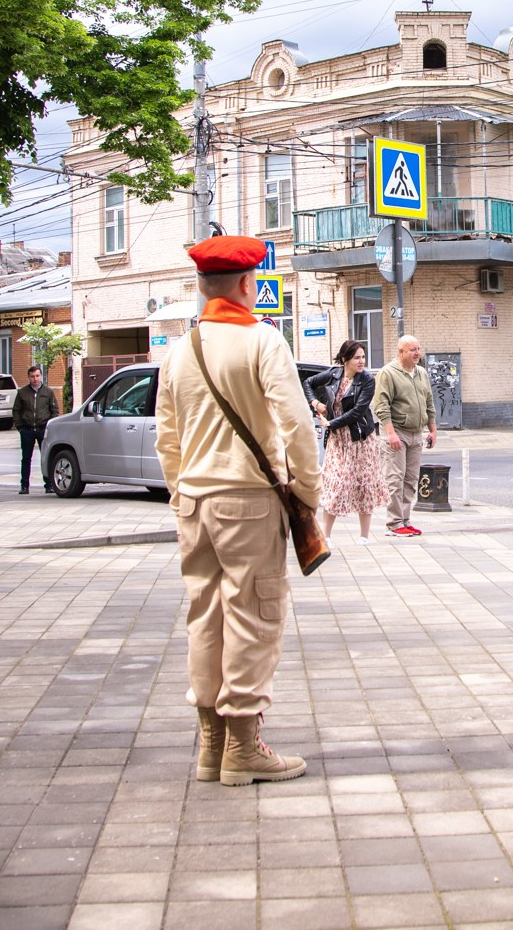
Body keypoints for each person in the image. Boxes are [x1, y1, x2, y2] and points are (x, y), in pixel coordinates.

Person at [154, 233, 320, 786]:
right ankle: (244, 750)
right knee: (252, 616)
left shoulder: (179, 350)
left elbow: (167, 437)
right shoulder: (263, 342)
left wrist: (182, 493)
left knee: (206, 618)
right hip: (248, 502)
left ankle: (211, 748)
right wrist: (308, 494)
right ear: (249, 284)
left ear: (204, 286)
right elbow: (296, 423)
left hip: (194, 505)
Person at [307, 340, 383, 544]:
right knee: (336, 484)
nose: (361, 361)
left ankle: (364, 536)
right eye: (357, 357)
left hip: (359, 440)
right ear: (345, 359)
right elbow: (308, 383)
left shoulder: (367, 380)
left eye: (363, 357)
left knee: (363, 484)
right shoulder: (334, 374)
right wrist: (315, 403)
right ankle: (326, 535)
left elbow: (357, 411)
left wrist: (330, 423)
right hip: (337, 441)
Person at [374, 333, 437, 538]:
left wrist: (433, 429)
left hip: (416, 433)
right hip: (397, 433)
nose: (417, 353)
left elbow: (429, 402)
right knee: (395, 478)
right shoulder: (388, 373)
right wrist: (390, 434)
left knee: (411, 479)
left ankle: (405, 520)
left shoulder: (421, 373)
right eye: (413, 349)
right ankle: (393, 523)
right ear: (401, 352)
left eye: (418, 348)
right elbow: (381, 406)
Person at [14, 364, 59, 495]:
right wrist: (20, 427)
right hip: (27, 430)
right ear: (29, 377)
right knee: (26, 458)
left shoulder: (48, 392)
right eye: (32, 376)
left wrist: (49, 427)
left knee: (45, 457)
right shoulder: (22, 393)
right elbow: (16, 410)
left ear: (41, 376)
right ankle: (24, 486)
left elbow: (54, 410)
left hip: (42, 429)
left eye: (37, 376)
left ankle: (49, 484)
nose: (35, 379)